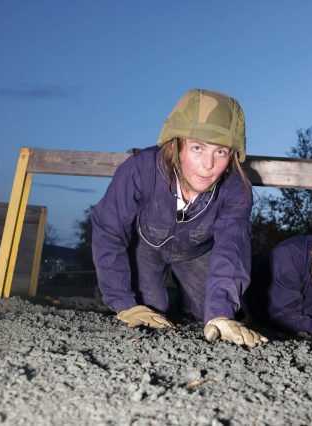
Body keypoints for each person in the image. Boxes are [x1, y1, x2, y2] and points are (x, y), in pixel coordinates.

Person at [92, 88, 267, 347]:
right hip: (145, 248)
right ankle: (107, 292)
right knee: (150, 309)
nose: (208, 165)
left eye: (220, 152)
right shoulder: (140, 169)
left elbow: (232, 248)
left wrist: (220, 312)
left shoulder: (236, 189)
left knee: (217, 315)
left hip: (197, 252)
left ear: (232, 155)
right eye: (197, 148)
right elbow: (109, 229)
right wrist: (122, 302)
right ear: (176, 145)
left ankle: (190, 303)